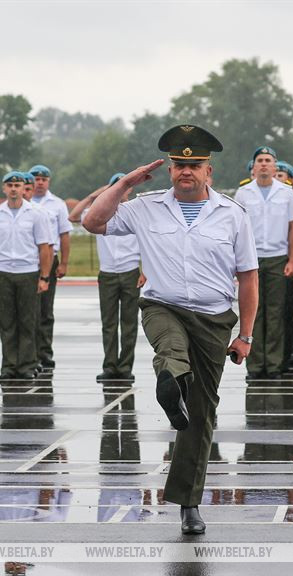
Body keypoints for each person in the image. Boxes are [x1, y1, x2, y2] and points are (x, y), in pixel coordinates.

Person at [82, 124, 258, 535]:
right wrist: (125, 183)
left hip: (214, 320)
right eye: (180, 164)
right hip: (163, 305)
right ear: (169, 170)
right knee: (170, 349)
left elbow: (248, 277)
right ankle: (170, 380)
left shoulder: (232, 214)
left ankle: (188, 503)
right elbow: (92, 221)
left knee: (201, 414)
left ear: (208, 171)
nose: (186, 171)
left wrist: (245, 335)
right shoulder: (145, 207)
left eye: (194, 165)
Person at [69, 172, 145, 381]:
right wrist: (94, 196)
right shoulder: (99, 212)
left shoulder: (137, 211)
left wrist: (145, 270)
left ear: (129, 189)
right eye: (114, 187)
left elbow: (148, 243)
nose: (119, 191)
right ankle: (110, 366)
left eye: (123, 186)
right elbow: (74, 217)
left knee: (129, 323)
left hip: (130, 271)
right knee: (109, 323)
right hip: (108, 273)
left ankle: (125, 367)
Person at [234, 146, 293, 379]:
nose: (263, 164)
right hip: (251, 260)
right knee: (253, 313)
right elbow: (236, 229)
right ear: (254, 167)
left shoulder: (286, 193)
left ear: (275, 166)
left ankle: (273, 364)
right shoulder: (243, 194)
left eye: (268, 160)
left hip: (277, 258)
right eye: (260, 160)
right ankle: (255, 364)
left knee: (275, 313)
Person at [0, 171, 53, 381]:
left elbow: (44, 248)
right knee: (7, 322)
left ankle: (27, 365)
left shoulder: (36, 213)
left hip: (28, 272)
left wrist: (44, 277)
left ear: (24, 188)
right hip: (3, 272)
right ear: (4, 188)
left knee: (28, 321)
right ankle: (9, 365)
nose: (14, 188)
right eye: (10, 185)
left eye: (17, 185)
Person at [28, 164, 72, 370]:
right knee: (29, 310)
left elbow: (64, 235)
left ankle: (44, 352)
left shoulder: (57, 204)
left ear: (48, 182)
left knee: (45, 310)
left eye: (43, 180)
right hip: (27, 260)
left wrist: (63, 262)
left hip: (49, 259)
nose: (39, 183)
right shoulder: (23, 201)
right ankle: (30, 354)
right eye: (35, 179)